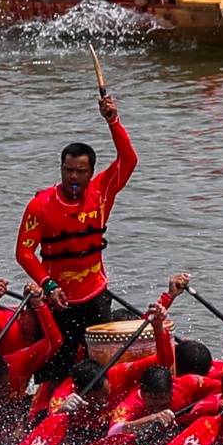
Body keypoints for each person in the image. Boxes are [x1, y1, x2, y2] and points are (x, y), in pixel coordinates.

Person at [15, 87, 136, 347]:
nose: (73, 177)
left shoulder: (103, 190)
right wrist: (48, 286)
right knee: (56, 364)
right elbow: (24, 253)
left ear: (91, 172)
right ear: (61, 169)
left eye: (80, 171)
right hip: (57, 299)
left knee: (99, 363)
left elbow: (128, 160)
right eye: (68, 170)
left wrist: (113, 120)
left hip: (96, 295)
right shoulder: (40, 205)